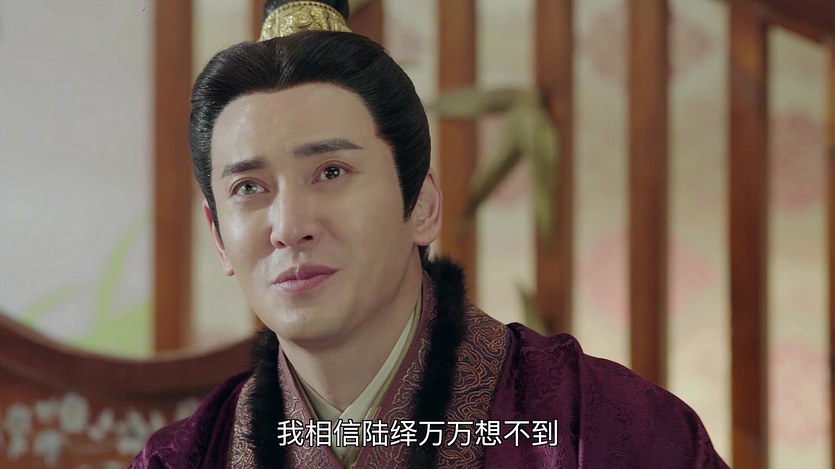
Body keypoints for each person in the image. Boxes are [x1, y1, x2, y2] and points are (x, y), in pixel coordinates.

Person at [132, 0, 728, 467]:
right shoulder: (183, 458)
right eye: (249, 187)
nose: (289, 227)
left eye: (331, 172)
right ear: (218, 236)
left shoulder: (596, 429)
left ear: (422, 203)